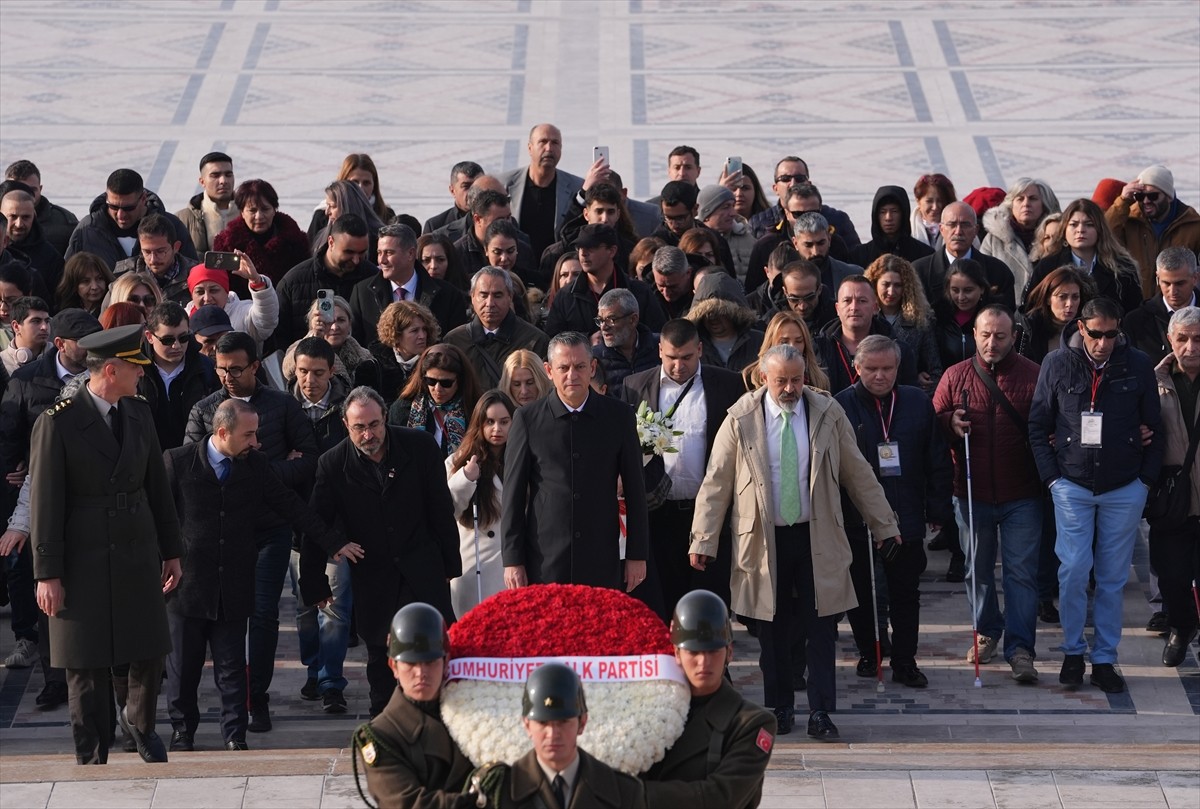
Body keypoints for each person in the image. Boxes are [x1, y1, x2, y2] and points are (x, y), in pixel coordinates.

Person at [689, 344, 900, 737]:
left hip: (816, 534)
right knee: (773, 628)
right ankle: (780, 707)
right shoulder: (741, 418)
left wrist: (884, 523)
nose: (789, 388)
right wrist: (703, 538)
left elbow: (857, 472)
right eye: (781, 380)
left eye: (796, 379)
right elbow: (716, 481)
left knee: (822, 626)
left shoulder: (826, 412)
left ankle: (821, 711)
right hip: (764, 539)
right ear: (764, 377)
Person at [163, 399, 359, 751]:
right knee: (183, 667)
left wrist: (333, 541)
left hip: (235, 582)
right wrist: (162, 561)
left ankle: (234, 733)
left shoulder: (254, 465)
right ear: (222, 433)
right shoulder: (177, 461)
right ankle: (182, 731)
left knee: (232, 665)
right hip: (186, 585)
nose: (257, 442)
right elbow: (158, 518)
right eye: (249, 434)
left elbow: (291, 505)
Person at [30, 324, 183, 764]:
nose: (144, 374)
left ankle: (140, 723)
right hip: (82, 556)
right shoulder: (56, 422)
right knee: (86, 662)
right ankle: (93, 752)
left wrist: (172, 550)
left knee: (149, 649)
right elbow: (45, 502)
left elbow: (158, 487)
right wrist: (48, 574)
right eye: (137, 367)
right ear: (112, 370)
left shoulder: (138, 413)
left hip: (136, 548)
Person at [184, 330, 319, 732]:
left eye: (236, 369)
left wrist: (262, 473)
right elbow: (194, 467)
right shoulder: (206, 409)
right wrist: (261, 469)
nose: (227, 376)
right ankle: (214, 703)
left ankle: (255, 698)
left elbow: (310, 458)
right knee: (216, 620)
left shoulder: (281, 405)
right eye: (221, 369)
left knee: (263, 615)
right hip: (218, 536)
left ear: (256, 366)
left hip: (269, 531)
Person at [1029, 297, 1163, 692]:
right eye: (1097, 334)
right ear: (1081, 328)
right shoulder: (1056, 363)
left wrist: (1145, 482)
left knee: (1111, 577)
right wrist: (1052, 479)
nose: (1104, 342)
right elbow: (1038, 426)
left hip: (1123, 486)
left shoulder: (1136, 363)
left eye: (1111, 334)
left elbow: (1154, 429)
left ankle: (1104, 658)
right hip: (1071, 484)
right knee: (1071, 571)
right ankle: (1073, 652)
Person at [304, 387, 460, 716]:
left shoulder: (419, 447)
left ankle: (439, 726)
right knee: (381, 658)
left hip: (422, 565)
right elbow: (315, 523)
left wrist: (449, 565)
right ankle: (387, 731)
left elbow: (440, 510)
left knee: (434, 649)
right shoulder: (332, 464)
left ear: (385, 418)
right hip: (374, 575)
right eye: (359, 427)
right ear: (346, 425)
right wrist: (315, 582)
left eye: (374, 424)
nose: (369, 433)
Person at [933, 305, 1051, 680]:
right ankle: (986, 630)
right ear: (975, 335)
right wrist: (949, 423)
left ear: (1014, 335)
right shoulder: (955, 376)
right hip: (971, 491)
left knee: (1021, 573)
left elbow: (1051, 424)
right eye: (985, 334)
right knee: (976, 569)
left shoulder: (1035, 376)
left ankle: (1021, 650)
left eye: (1000, 336)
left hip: (1023, 494)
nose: (991, 343)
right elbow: (931, 427)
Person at [835, 336, 952, 687]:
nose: (880, 376)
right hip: (859, 520)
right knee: (863, 591)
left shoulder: (916, 402)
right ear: (857, 368)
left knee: (906, 593)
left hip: (907, 515)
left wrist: (938, 508)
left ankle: (905, 660)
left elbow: (936, 458)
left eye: (887, 369)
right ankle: (870, 652)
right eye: (871, 369)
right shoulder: (841, 406)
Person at [0, 308, 100, 711]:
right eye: (85, 341)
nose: (93, 348)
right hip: (37, 500)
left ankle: (97, 675)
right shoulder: (26, 381)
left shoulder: (98, 381)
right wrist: (14, 472)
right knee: (45, 593)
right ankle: (54, 678)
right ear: (62, 344)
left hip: (87, 504)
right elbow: (9, 434)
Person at [502, 332, 649, 592]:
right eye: (564, 368)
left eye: (580, 366)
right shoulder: (526, 420)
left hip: (601, 556)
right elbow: (512, 496)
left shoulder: (619, 417)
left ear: (592, 368)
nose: (572, 375)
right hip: (544, 559)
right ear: (548, 371)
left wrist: (637, 555)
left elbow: (636, 490)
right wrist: (513, 560)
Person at [622, 319, 745, 612]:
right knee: (662, 601)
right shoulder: (635, 386)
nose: (679, 365)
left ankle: (714, 657)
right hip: (657, 515)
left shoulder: (727, 384)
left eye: (687, 357)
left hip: (710, 515)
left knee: (708, 602)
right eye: (672, 358)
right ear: (659, 350)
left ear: (700, 349)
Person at [639, 590, 776, 808]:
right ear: (676, 653)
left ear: (729, 652)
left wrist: (634, 794)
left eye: (713, 651)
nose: (704, 662)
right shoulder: (649, 711)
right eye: (693, 652)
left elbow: (721, 798)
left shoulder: (752, 722)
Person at [350, 604, 476, 808]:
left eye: (430, 662)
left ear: (446, 661)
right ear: (394, 666)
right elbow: (406, 803)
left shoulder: (474, 715)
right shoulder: (380, 736)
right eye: (411, 663)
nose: (421, 673)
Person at [471, 663, 645, 809]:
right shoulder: (498, 793)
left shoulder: (624, 792)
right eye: (543, 723)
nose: (553, 734)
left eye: (563, 722)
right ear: (526, 725)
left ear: (582, 723)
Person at [1152, 307, 1200, 667]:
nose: (1190, 347)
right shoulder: (1152, 382)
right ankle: (1182, 627)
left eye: (1198, 339)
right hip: (1172, 499)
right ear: (1170, 340)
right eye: (1182, 339)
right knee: (1171, 577)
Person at [446, 390, 515, 617]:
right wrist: (465, 479)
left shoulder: (523, 458)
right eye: (490, 422)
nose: (497, 429)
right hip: (473, 570)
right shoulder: (457, 461)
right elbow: (447, 512)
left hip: (511, 568)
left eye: (504, 422)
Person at [545, 223, 666, 338]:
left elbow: (656, 336)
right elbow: (553, 341)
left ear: (612, 251)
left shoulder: (639, 292)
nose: (583, 253)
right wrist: (587, 341)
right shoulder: (566, 296)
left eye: (591, 247)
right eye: (580, 248)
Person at [1026, 197, 1142, 316]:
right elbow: (1031, 310)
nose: (1080, 230)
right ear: (1064, 229)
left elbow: (1134, 315)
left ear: (1100, 230)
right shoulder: (1047, 266)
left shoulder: (1122, 267)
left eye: (1089, 224)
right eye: (1073, 225)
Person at [275, 213, 376, 347]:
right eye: (349, 252)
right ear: (331, 242)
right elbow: (279, 340)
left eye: (362, 253)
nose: (356, 260)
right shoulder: (293, 282)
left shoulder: (373, 279)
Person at [65, 169, 196, 270]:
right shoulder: (86, 230)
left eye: (128, 208)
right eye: (113, 207)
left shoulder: (172, 226)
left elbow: (192, 273)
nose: (121, 215)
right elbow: (68, 278)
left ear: (143, 199)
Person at [444, 266, 549, 389]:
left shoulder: (535, 340)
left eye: (497, 295)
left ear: (510, 297)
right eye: (483, 295)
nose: (490, 303)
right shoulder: (454, 341)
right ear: (472, 297)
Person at [1105, 165, 1200, 297]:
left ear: (1169, 197)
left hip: (1177, 303)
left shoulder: (1192, 224)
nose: (1146, 201)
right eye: (1139, 196)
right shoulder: (1129, 219)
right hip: (1137, 303)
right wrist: (1123, 201)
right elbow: (1104, 235)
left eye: (1153, 196)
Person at [814, 275, 918, 395]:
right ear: (837, 308)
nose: (854, 308)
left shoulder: (899, 350)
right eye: (847, 301)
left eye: (862, 301)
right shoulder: (817, 349)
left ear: (875, 308)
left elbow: (908, 397)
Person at [499, 124, 586, 260]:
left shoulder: (578, 187)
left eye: (555, 143)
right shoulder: (503, 184)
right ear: (530, 148)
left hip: (557, 271)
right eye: (543, 142)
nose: (549, 148)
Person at [139, 302, 219, 450]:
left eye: (183, 338)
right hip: (146, 461)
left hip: (193, 459)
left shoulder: (206, 368)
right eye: (167, 340)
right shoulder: (135, 370)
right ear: (149, 336)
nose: (176, 346)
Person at [213, 179, 312, 295]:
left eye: (265, 209)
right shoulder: (226, 243)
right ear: (242, 212)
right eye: (252, 210)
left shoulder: (296, 241)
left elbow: (304, 282)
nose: (259, 216)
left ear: (274, 210)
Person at [912, 202, 1017, 311]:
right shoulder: (918, 271)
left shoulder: (998, 271)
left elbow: (1005, 320)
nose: (958, 232)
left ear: (976, 230)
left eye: (965, 225)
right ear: (941, 229)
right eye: (952, 225)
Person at [388, 343, 482, 458]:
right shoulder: (402, 409)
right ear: (423, 379)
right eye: (431, 381)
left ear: (460, 381)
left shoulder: (476, 410)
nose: (438, 389)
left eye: (446, 383)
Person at [865, 254, 941, 392]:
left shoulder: (920, 321)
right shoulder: (865, 317)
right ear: (875, 284)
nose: (891, 291)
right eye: (886, 284)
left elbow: (934, 370)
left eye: (898, 285)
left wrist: (919, 387)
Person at [980, 178, 1061, 295]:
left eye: (1033, 199)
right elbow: (981, 277)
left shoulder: (1057, 236)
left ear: (1044, 204)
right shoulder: (994, 239)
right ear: (1011, 205)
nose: (1026, 204)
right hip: (1005, 309)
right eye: (1020, 199)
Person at [184, 257, 279, 355]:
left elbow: (267, 320)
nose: (207, 298)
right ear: (191, 295)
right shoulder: (183, 320)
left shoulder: (243, 313)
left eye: (214, 290)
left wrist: (257, 282)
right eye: (200, 292)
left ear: (226, 291)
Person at [1124, 247, 1197, 364]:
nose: (1173, 291)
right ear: (1158, 279)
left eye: (1180, 283)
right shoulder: (1136, 322)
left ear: (1195, 278)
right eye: (1166, 283)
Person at [280, 294, 372, 387]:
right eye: (328, 321)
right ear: (314, 324)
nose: (335, 327)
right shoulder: (297, 349)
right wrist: (314, 339)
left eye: (341, 320)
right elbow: (288, 371)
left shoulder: (365, 357)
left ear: (350, 324)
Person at [1017, 266, 1096, 365]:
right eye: (1062, 297)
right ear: (1048, 299)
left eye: (1075, 297)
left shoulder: (1090, 330)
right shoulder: (1027, 329)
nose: (1069, 304)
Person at [687, 272, 764, 373]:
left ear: (733, 312)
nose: (712, 317)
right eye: (706, 312)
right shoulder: (692, 344)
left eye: (719, 312)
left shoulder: (759, 342)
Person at [3, 159, 78, 256]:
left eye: (31, 190)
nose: (26, 195)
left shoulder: (64, 223)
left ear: (40, 189)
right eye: (18, 189)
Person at [849, 185, 934, 267]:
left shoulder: (925, 255)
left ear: (904, 214)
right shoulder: (860, 256)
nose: (888, 218)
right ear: (876, 215)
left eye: (894, 211)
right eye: (883, 212)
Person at [592, 288, 659, 392]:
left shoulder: (660, 347)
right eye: (600, 320)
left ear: (633, 320)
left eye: (611, 320)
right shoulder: (594, 359)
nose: (603, 327)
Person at [175, 152, 237, 253]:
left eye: (228, 175)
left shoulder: (249, 212)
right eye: (215, 175)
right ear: (202, 181)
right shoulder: (183, 218)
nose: (223, 181)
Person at [423, 160, 484, 234]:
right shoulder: (435, 226)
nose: (473, 192)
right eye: (466, 186)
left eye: (477, 186)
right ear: (452, 190)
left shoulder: (497, 219)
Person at [1, 296, 50, 376]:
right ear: (16, 326)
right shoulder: (2, 363)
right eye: (36, 321)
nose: (44, 327)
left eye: (47, 321)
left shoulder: (59, 360)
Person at [910, 174, 958, 251]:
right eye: (929, 201)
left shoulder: (963, 229)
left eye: (940, 201)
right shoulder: (907, 230)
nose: (935, 207)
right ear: (918, 201)